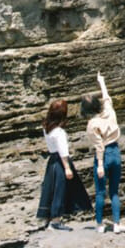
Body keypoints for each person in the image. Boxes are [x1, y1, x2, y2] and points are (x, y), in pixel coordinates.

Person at [36, 98, 91, 230]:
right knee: (60, 190)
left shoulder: (46, 127)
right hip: (60, 161)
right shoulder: (59, 132)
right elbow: (63, 151)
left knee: (50, 189)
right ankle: (55, 221)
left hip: (52, 161)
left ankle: (47, 218)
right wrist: (67, 168)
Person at [81, 71, 125, 234]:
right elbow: (106, 97)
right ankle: (116, 224)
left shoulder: (92, 124)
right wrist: (101, 82)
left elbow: (99, 146)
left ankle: (100, 224)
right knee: (114, 191)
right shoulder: (109, 111)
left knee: (100, 192)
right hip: (115, 152)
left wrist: (100, 164)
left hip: (104, 155)